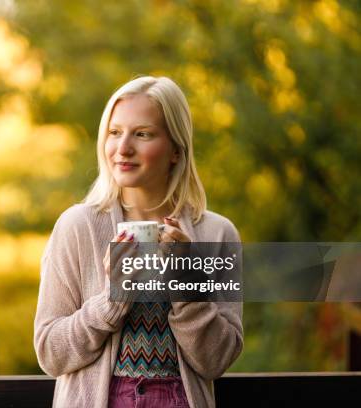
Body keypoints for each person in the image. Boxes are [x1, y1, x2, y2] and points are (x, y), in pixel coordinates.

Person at [34, 76, 243, 408]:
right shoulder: (77, 226)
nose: (123, 148)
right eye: (115, 132)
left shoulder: (217, 235)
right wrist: (111, 300)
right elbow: (49, 353)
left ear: (176, 149)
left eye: (142, 134)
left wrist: (186, 285)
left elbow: (217, 360)